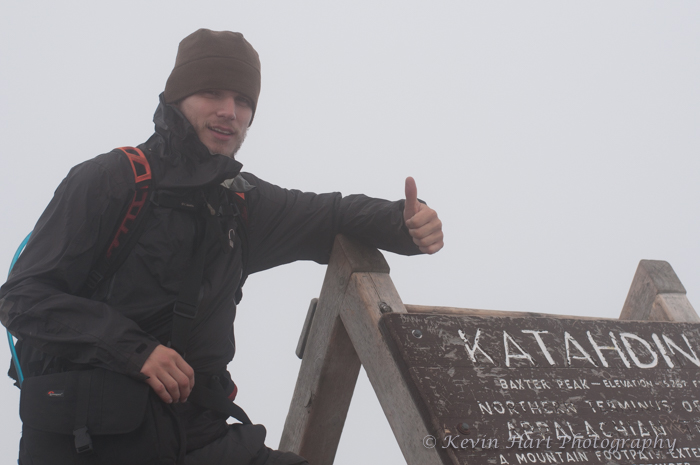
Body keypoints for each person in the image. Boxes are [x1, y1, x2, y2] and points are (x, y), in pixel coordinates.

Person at [0, 29, 443, 465]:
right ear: (177, 98)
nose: (229, 111)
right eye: (212, 92)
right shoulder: (111, 180)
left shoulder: (239, 203)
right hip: (93, 441)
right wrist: (135, 351)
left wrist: (403, 223)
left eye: (244, 100)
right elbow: (23, 298)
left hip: (201, 437)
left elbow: (330, 215)